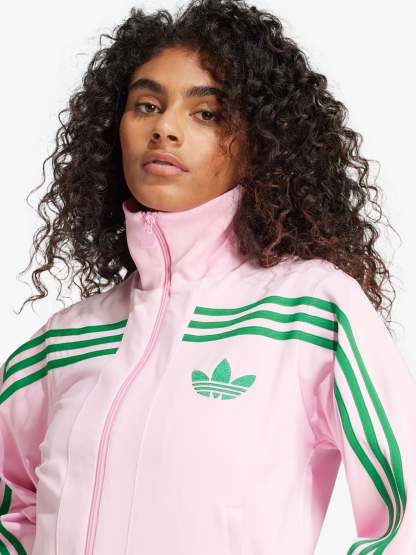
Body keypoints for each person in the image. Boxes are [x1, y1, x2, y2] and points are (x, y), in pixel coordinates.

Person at [1, 0, 415, 553]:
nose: (165, 128)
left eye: (207, 114)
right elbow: (13, 508)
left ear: (259, 144)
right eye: (147, 105)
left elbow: (404, 513)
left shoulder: (310, 310)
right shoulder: (63, 342)